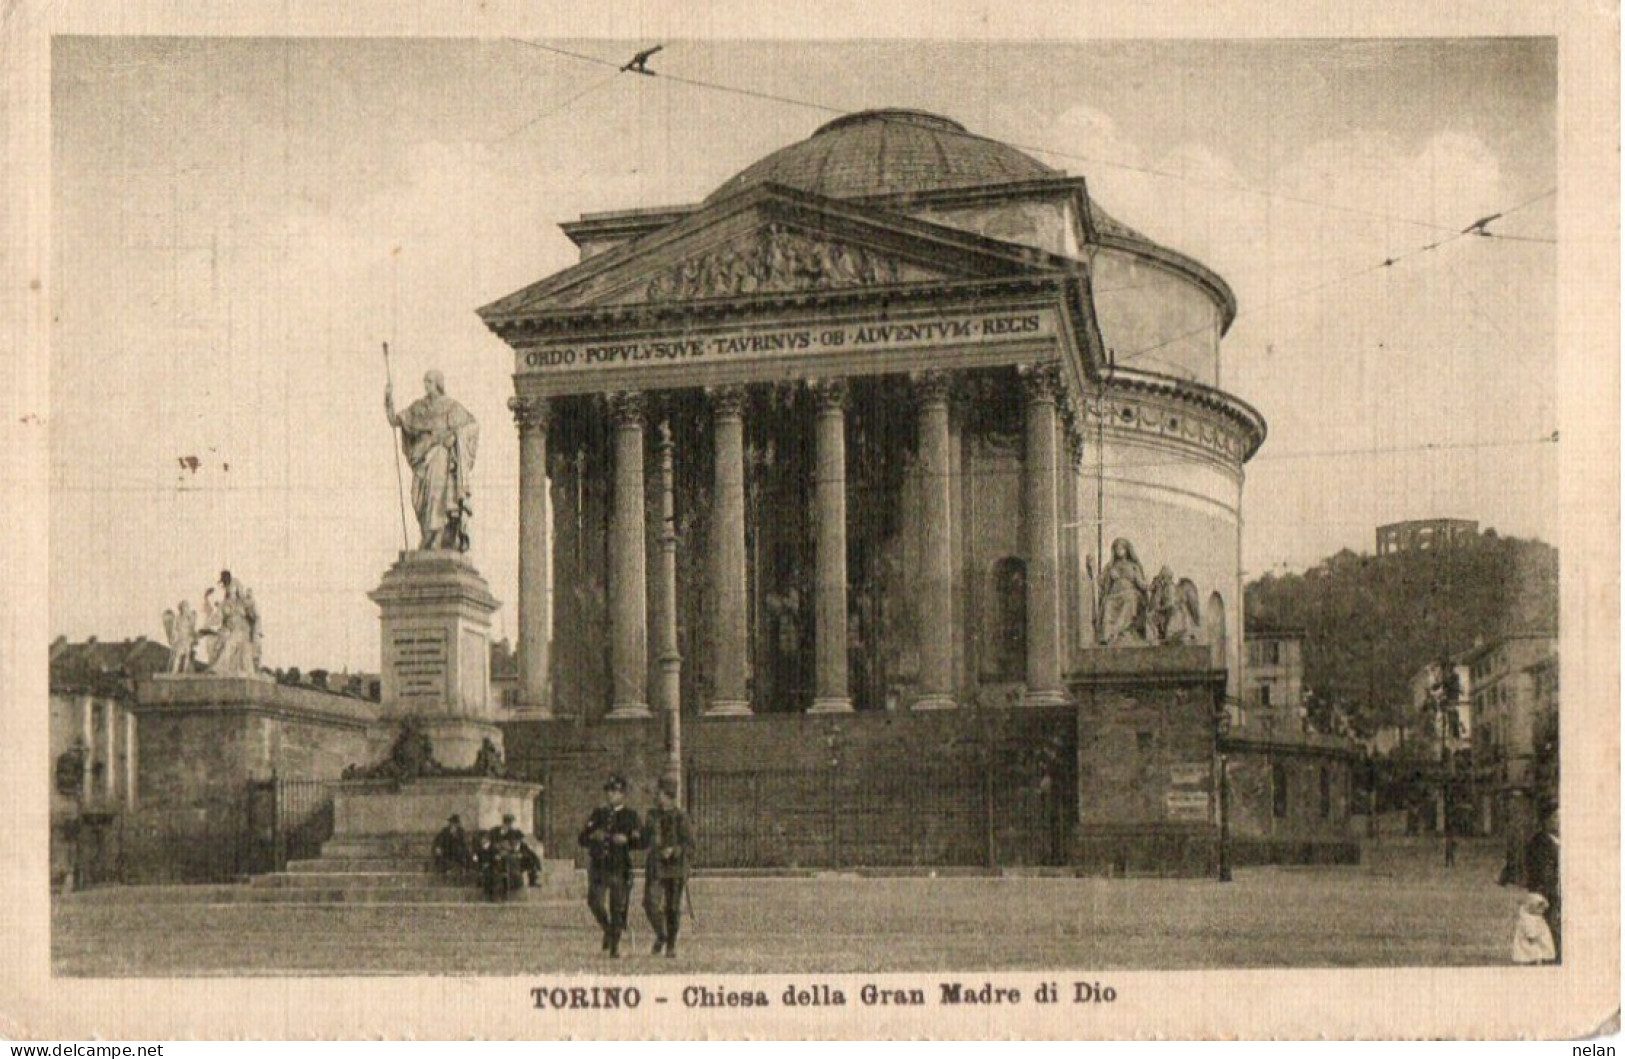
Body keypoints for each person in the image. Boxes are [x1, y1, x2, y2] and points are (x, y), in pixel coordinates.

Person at [385, 370, 480, 552]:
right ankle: (428, 534)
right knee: (418, 497)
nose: (426, 385)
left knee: (438, 497)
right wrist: (388, 400)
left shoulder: (451, 407)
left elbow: (472, 426)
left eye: (429, 381)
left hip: (440, 456)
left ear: (438, 383)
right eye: (425, 382)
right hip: (422, 459)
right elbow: (394, 420)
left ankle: (437, 535)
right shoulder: (418, 408)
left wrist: (455, 436)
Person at [578, 775, 643, 958]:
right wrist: (592, 837)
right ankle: (607, 929)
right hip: (599, 866)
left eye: (614, 792)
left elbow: (641, 842)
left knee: (617, 907)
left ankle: (614, 945)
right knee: (594, 901)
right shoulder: (598, 814)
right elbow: (582, 838)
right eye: (608, 791)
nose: (610, 795)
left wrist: (627, 840)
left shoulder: (631, 816)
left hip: (619, 866)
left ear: (622, 794)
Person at [642, 776, 694, 958]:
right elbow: (643, 840)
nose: (658, 797)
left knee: (672, 908)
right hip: (655, 867)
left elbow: (689, 844)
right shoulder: (652, 816)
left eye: (661, 794)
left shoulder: (681, 817)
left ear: (669, 796)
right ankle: (661, 934)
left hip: (675, 868)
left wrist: (675, 851)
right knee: (650, 903)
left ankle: (670, 944)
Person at [1523, 801, 1561, 962]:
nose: (1560, 821)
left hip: (1552, 893)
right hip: (1546, 895)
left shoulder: (1554, 840)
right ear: (1546, 820)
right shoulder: (1540, 842)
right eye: (1556, 817)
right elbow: (1542, 873)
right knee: (1549, 931)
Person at [1099, 538, 1149, 646]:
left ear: (1127, 550)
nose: (1119, 550)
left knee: (1129, 599)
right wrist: (1108, 576)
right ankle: (1107, 635)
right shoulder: (1110, 566)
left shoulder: (1133, 566)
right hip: (1114, 595)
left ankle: (1115, 631)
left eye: (1121, 548)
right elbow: (1102, 582)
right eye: (1117, 548)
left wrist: (1148, 586)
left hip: (1129, 593)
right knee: (1107, 604)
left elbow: (1140, 583)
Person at [1512, 892, 1557, 965]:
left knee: (1538, 953)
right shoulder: (1526, 918)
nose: (1542, 912)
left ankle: (1538, 962)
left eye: (1543, 910)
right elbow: (1529, 931)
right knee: (1527, 954)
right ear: (1532, 908)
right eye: (1540, 909)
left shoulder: (1538, 917)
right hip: (1529, 941)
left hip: (1537, 940)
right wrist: (1533, 935)